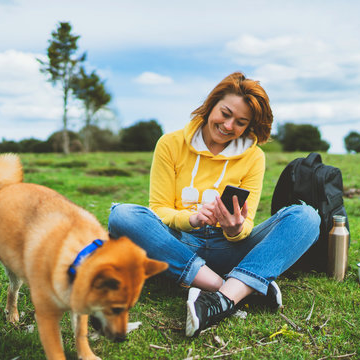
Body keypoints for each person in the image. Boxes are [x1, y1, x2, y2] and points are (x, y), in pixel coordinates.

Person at [108, 72, 320, 337]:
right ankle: (233, 289)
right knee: (122, 214)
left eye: (241, 122)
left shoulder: (254, 157)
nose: (229, 126)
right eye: (226, 113)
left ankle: (220, 299)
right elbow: (159, 208)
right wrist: (193, 219)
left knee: (307, 217)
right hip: (180, 241)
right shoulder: (170, 144)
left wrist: (234, 229)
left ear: (249, 126)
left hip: (230, 248)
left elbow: (248, 223)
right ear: (212, 104)